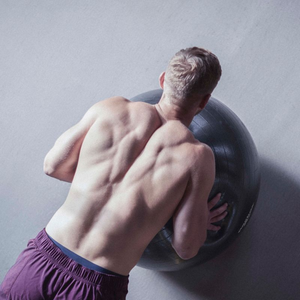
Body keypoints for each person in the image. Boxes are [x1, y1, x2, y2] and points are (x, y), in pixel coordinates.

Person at [0, 47, 227, 300]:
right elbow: (185, 247)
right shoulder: (197, 157)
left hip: (43, 258)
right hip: (97, 282)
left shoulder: (111, 108)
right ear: (204, 101)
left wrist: (94, 181)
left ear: (163, 79)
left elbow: (53, 165)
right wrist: (199, 219)